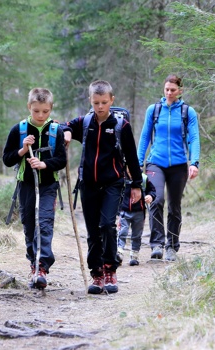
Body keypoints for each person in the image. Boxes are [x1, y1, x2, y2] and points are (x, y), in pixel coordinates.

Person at [63, 80, 142, 294]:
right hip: (88, 185)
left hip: (113, 184)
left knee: (107, 225)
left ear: (112, 100)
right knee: (92, 232)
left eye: (104, 102)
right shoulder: (85, 122)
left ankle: (110, 270)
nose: (100, 106)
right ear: (90, 100)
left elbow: (132, 157)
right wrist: (67, 132)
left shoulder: (120, 125)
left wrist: (136, 185)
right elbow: (64, 126)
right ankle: (96, 274)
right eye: (96, 102)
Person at [2, 88, 67, 289]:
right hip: (27, 185)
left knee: (45, 223)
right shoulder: (18, 130)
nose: (40, 116)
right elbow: (7, 159)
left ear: (51, 109)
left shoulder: (56, 130)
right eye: (36, 111)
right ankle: (33, 263)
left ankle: (42, 267)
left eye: (45, 111)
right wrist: (22, 149)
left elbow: (61, 160)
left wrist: (44, 164)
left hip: (48, 185)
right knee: (30, 225)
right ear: (29, 107)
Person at [137, 74, 200, 262]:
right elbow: (145, 136)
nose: (170, 93)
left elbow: (194, 138)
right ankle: (156, 244)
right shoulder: (154, 110)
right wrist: (138, 162)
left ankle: (172, 246)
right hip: (156, 162)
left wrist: (194, 162)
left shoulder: (188, 112)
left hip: (179, 165)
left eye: (173, 90)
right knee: (155, 200)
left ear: (180, 91)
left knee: (174, 206)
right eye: (167, 89)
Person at [117, 172, 156, 266]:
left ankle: (134, 255)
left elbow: (152, 190)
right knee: (122, 232)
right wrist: (118, 211)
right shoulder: (121, 178)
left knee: (136, 235)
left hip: (139, 212)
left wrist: (150, 196)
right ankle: (119, 253)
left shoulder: (143, 179)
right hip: (124, 211)